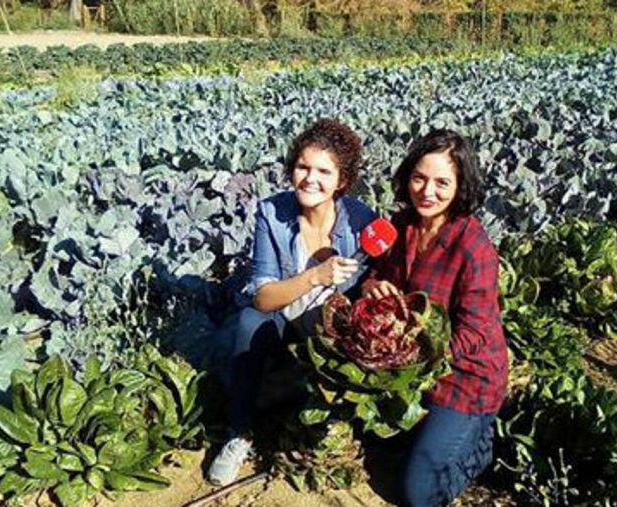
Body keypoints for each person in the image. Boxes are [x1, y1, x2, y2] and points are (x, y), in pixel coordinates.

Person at [206, 118, 376, 486]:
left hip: (331, 327)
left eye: (323, 172)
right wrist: (315, 275)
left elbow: (372, 282)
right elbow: (264, 298)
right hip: (283, 317)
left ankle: (346, 420)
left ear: (342, 180)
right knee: (250, 322)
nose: (310, 179)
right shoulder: (273, 213)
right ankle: (240, 432)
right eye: (302, 167)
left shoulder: (362, 221)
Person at [362, 129, 508, 507]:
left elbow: (473, 332)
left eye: (442, 182)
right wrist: (372, 288)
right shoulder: (402, 226)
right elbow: (378, 274)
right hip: (412, 370)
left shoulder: (473, 246)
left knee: (418, 493)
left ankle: (482, 445)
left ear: (460, 186)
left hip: (465, 376)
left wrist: (416, 357)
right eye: (419, 178)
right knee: (374, 441)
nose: (427, 191)